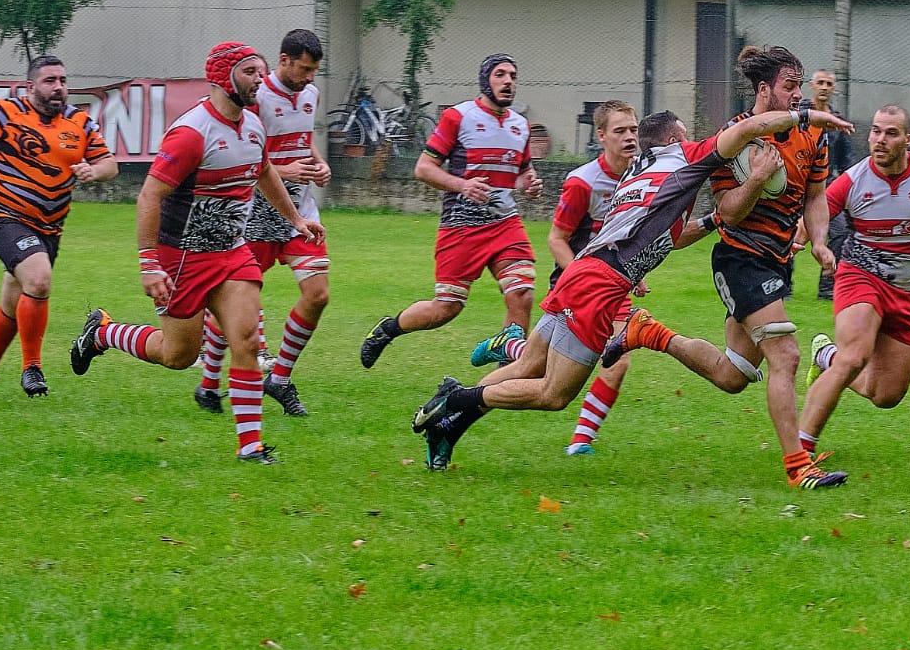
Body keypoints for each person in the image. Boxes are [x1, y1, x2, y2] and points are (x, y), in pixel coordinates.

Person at [407, 106, 837, 479]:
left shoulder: (640, 171)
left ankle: (449, 425)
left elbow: (670, 235)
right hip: (599, 285)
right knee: (554, 394)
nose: (693, 138)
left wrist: (712, 222)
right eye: (686, 132)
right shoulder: (685, 157)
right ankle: (456, 398)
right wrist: (805, 116)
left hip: (583, 273)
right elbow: (746, 130)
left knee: (530, 365)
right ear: (675, 138)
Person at [604, 50, 854, 488]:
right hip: (741, 259)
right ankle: (799, 468)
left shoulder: (813, 135)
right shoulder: (735, 137)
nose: (798, 94)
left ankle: (647, 332)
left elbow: (816, 196)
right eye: (790, 86)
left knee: (732, 375)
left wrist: (818, 240)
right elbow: (729, 212)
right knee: (786, 355)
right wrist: (756, 179)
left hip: (776, 259)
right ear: (764, 89)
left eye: (800, 85)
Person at [68, 41, 325, 464]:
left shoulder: (253, 124)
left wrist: (296, 220)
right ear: (223, 78)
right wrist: (149, 264)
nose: (259, 80)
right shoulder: (192, 133)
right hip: (183, 257)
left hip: (233, 253)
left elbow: (263, 172)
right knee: (178, 355)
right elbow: (150, 196)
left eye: (261, 71)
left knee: (247, 340)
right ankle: (103, 333)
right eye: (249, 72)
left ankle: (250, 447)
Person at [799, 105, 910, 467]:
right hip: (859, 277)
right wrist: (806, 242)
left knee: (885, 395)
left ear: (908, 140)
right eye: (875, 131)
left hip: (908, 292)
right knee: (855, 357)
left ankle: (826, 356)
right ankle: (800, 453)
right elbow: (815, 215)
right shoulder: (854, 180)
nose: (880, 140)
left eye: (891, 133)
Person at [469, 99, 642, 455]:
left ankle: (581, 441)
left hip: (611, 286)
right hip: (576, 286)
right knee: (534, 369)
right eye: (620, 131)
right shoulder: (583, 181)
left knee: (617, 358)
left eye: (633, 130)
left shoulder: (640, 177)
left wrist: (632, 271)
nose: (630, 137)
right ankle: (465, 399)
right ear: (601, 136)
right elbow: (556, 239)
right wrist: (585, 275)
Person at [0, 55, 118, 398]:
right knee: (39, 279)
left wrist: (94, 171)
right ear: (30, 86)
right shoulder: (5, 111)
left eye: (63, 81)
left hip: (49, 228)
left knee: (14, 303)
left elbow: (109, 164)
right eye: (49, 81)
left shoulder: (80, 122)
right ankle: (32, 368)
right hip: (4, 216)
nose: (58, 87)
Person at [358, 54, 543, 369]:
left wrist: (530, 183)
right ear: (485, 80)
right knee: (446, 308)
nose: (508, 81)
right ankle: (387, 330)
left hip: (504, 223)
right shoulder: (459, 116)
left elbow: (524, 170)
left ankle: (507, 374)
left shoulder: (520, 125)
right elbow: (423, 168)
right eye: (500, 74)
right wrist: (462, 185)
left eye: (513, 75)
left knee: (522, 293)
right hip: (461, 226)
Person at [193, 29, 332, 417]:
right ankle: (209, 384)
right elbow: (249, 156)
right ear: (284, 60)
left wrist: (318, 163)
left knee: (318, 294)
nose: (309, 77)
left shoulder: (311, 94)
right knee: (236, 303)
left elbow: (303, 140)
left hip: (299, 212)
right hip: (254, 212)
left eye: (314, 71)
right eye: (304, 69)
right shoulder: (255, 97)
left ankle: (279, 379)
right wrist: (286, 171)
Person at [806, 68, 853, 300]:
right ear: (812, 86)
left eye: (829, 84)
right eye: (820, 83)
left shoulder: (838, 123)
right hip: (796, 185)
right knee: (786, 236)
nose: (824, 87)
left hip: (826, 190)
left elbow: (846, 164)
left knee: (840, 232)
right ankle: (781, 288)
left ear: (833, 88)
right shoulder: (798, 114)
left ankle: (827, 288)